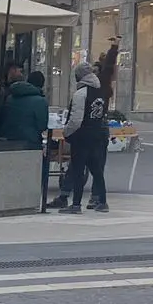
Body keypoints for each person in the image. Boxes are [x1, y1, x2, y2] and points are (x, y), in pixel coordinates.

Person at [62, 61, 109, 215]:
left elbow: (76, 119)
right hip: (97, 135)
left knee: (78, 169)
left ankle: (76, 204)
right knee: (96, 170)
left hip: (82, 137)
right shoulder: (100, 91)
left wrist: (66, 132)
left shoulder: (81, 94)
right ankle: (102, 201)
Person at [0, 66, 49, 148]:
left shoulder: (10, 97)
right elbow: (42, 126)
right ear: (42, 84)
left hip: (7, 139)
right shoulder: (41, 101)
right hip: (30, 142)